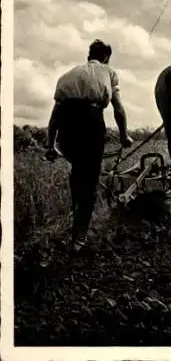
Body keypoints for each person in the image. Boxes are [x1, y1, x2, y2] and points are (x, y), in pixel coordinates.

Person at [45, 39, 133, 252]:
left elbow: (55, 116)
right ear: (106, 58)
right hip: (91, 122)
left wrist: (50, 145)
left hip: (67, 125)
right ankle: (80, 237)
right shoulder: (109, 71)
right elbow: (118, 109)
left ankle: (77, 226)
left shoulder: (67, 75)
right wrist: (124, 136)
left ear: (88, 56)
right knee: (90, 181)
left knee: (77, 174)